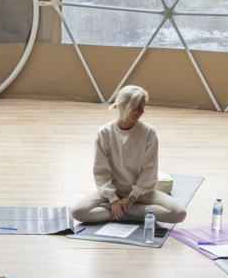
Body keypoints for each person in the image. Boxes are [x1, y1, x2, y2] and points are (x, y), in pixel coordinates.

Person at [70, 86, 188, 226]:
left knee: (179, 213)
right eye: (138, 106)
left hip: (142, 193)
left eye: (143, 106)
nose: (142, 111)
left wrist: (132, 198)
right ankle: (132, 213)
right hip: (113, 192)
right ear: (123, 104)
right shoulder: (104, 133)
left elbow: (149, 170)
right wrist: (113, 200)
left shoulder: (148, 133)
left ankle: (120, 213)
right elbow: (100, 171)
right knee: (78, 212)